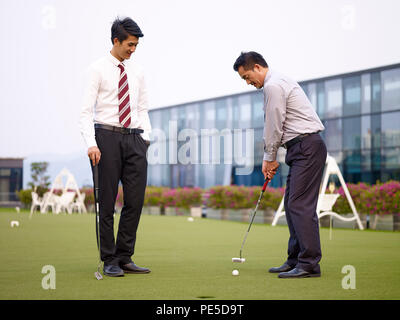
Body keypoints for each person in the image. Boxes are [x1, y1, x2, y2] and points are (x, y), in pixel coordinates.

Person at [233, 51, 327, 278]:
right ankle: (295, 259)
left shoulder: (273, 85)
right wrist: (273, 156)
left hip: (307, 147)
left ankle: (309, 264)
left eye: (247, 77)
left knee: (299, 205)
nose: (248, 83)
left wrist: (269, 158)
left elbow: (274, 124)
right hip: (300, 148)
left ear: (257, 67)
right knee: (292, 202)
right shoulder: (277, 82)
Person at [80, 17, 152, 277]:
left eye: (136, 45)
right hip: (105, 139)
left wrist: (146, 139)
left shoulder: (139, 71)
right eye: (130, 44)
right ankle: (109, 258)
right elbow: (85, 112)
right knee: (107, 203)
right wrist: (91, 143)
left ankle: (124, 257)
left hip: (135, 139)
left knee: (135, 201)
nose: (133, 49)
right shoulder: (96, 69)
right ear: (116, 41)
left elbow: (142, 108)